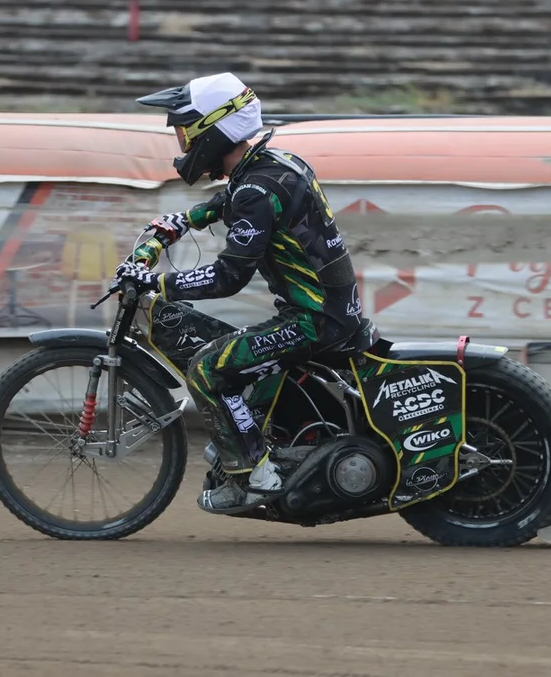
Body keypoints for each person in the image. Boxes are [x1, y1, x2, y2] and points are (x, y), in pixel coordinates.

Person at [112, 72, 367, 515]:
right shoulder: (275, 165)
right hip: (330, 312)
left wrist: (158, 282)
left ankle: (254, 475)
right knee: (228, 351)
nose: (182, 148)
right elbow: (226, 202)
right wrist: (180, 222)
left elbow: (229, 277)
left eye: (185, 135)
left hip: (315, 322)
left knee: (208, 368)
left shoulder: (256, 187)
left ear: (212, 130)